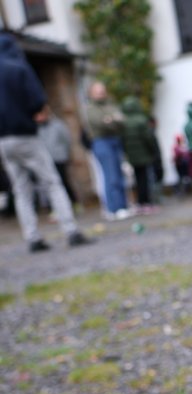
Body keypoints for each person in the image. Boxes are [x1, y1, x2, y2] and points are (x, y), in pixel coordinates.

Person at [0, 33, 91, 252]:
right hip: (25, 136)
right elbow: (38, 102)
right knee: (52, 182)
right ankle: (71, 231)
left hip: (3, 141)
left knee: (21, 189)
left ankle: (32, 238)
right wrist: (33, 114)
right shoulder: (19, 68)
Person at [86, 81, 130, 219]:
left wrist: (110, 121)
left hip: (115, 140)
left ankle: (123, 206)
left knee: (119, 173)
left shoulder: (111, 105)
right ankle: (113, 208)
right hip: (101, 142)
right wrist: (113, 121)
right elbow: (99, 123)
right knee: (110, 175)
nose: (101, 93)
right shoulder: (90, 109)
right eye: (98, 91)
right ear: (92, 93)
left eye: (102, 90)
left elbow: (122, 121)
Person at [121, 96, 160, 214]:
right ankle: (147, 203)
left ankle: (140, 203)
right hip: (143, 154)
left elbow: (123, 140)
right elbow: (148, 138)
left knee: (138, 179)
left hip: (132, 156)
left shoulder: (124, 122)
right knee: (145, 179)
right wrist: (153, 151)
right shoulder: (141, 120)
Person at [36, 107, 79, 210]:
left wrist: (66, 153)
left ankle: (74, 203)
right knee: (48, 184)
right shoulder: (36, 128)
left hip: (59, 157)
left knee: (63, 181)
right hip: (45, 159)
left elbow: (66, 139)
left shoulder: (57, 125)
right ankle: (55, 208)